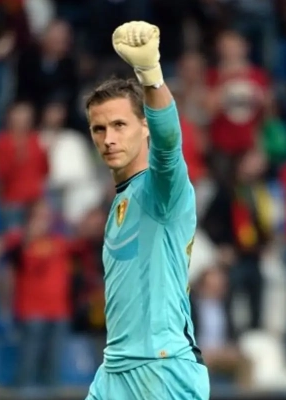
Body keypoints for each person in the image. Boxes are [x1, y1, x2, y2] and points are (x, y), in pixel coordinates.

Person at [84, 21, 210, 400]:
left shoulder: (161, 190)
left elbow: (169, 145)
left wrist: (150, 75)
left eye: (119, 125)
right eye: (99, 129)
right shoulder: (119, 201)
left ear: (145, 127)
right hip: (115, 370)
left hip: (163, 369)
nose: (109, 139)